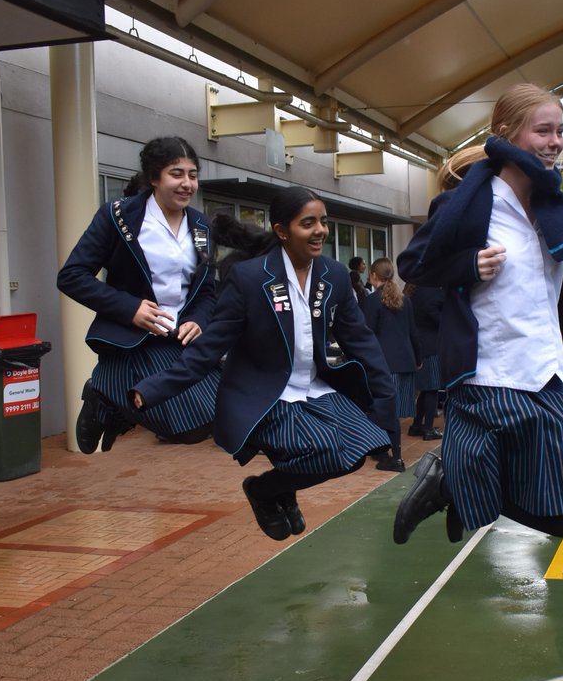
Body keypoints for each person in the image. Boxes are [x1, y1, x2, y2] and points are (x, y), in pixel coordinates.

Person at [392, 83, 563, 542]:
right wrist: (468, 265)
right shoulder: (468, 204)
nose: (554, 141)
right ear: (506, 132)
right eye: (543, 130)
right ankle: (453, 482)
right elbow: (412, 265)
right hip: (493, 377)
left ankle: (457, 484)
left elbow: (550, 293)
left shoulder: (553, 209)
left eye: (560, 131)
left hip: (547, 373)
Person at [130, 187, 397, 541]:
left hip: (317, 390)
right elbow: (209, 347)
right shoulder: (250, 278)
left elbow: (361, 340)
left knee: (360, 450)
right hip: (268, 395)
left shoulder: (333, 274)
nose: (320, 230)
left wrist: (384, 396)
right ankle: (264, 491)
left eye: (323, 222)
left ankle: (275, 488)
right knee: (325, 451)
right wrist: (152, 390)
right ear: (282, 230)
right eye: (308, 223)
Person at [58, 136, 220, 454]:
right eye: (177, 173)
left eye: (192, 174)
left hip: (178, 338)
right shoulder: (117, 217)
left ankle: (117, 404)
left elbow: (208, 291)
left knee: (202, 424)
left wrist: (198, 320)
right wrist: (130, 308)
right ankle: (105, 392)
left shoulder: (202, 226)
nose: (187, 183)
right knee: (187, 425)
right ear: (155, 178)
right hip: (134, 338)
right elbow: (72, 276)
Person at [361, 257, 421, 471]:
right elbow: (413, 332)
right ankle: (383, 451)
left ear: (374, 276)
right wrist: (418, 359)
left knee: (385, 411)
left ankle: (394, 457)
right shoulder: (405, 299)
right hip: (406, 362)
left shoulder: (372, 301)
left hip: (384, 363)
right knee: (393, 412)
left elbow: (366, 334)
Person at [405, 281, 445, 441]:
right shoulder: (432, 290)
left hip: (418, 344)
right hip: (430, 344)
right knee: (432, 388)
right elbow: (432, 311)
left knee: (426, 388)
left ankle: (416, 425)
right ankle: (428, 428)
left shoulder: (413, 289)